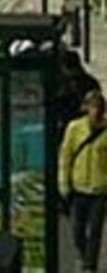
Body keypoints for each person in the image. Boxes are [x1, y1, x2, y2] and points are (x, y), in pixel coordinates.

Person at [60, 90, 107, 272]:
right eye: (93, 107)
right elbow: (66, 155)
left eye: (100, 108)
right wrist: (64, 182)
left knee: (94, 231)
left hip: (99, 188)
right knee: (77, 230)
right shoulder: (75, 128)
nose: (96, 112)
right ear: (87, 109)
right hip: (78, 186)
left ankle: (90, 266)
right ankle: (82, 254)